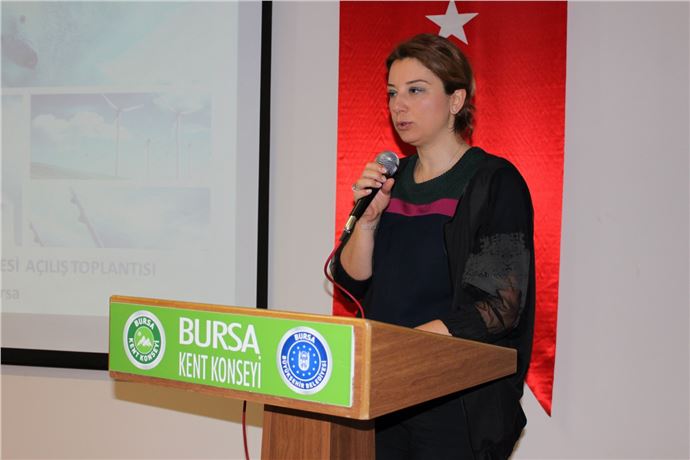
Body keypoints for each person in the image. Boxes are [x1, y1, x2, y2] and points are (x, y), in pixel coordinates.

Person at [330, 33, 535, 459]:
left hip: (453, 399)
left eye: (416, 90)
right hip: (384, 393)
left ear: (456, 100)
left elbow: (501, 307)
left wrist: (406, 347)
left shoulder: (493, 182)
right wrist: (367, 222)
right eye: (392, 93)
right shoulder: (390, 179)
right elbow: (352, 280)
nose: (398, 106)